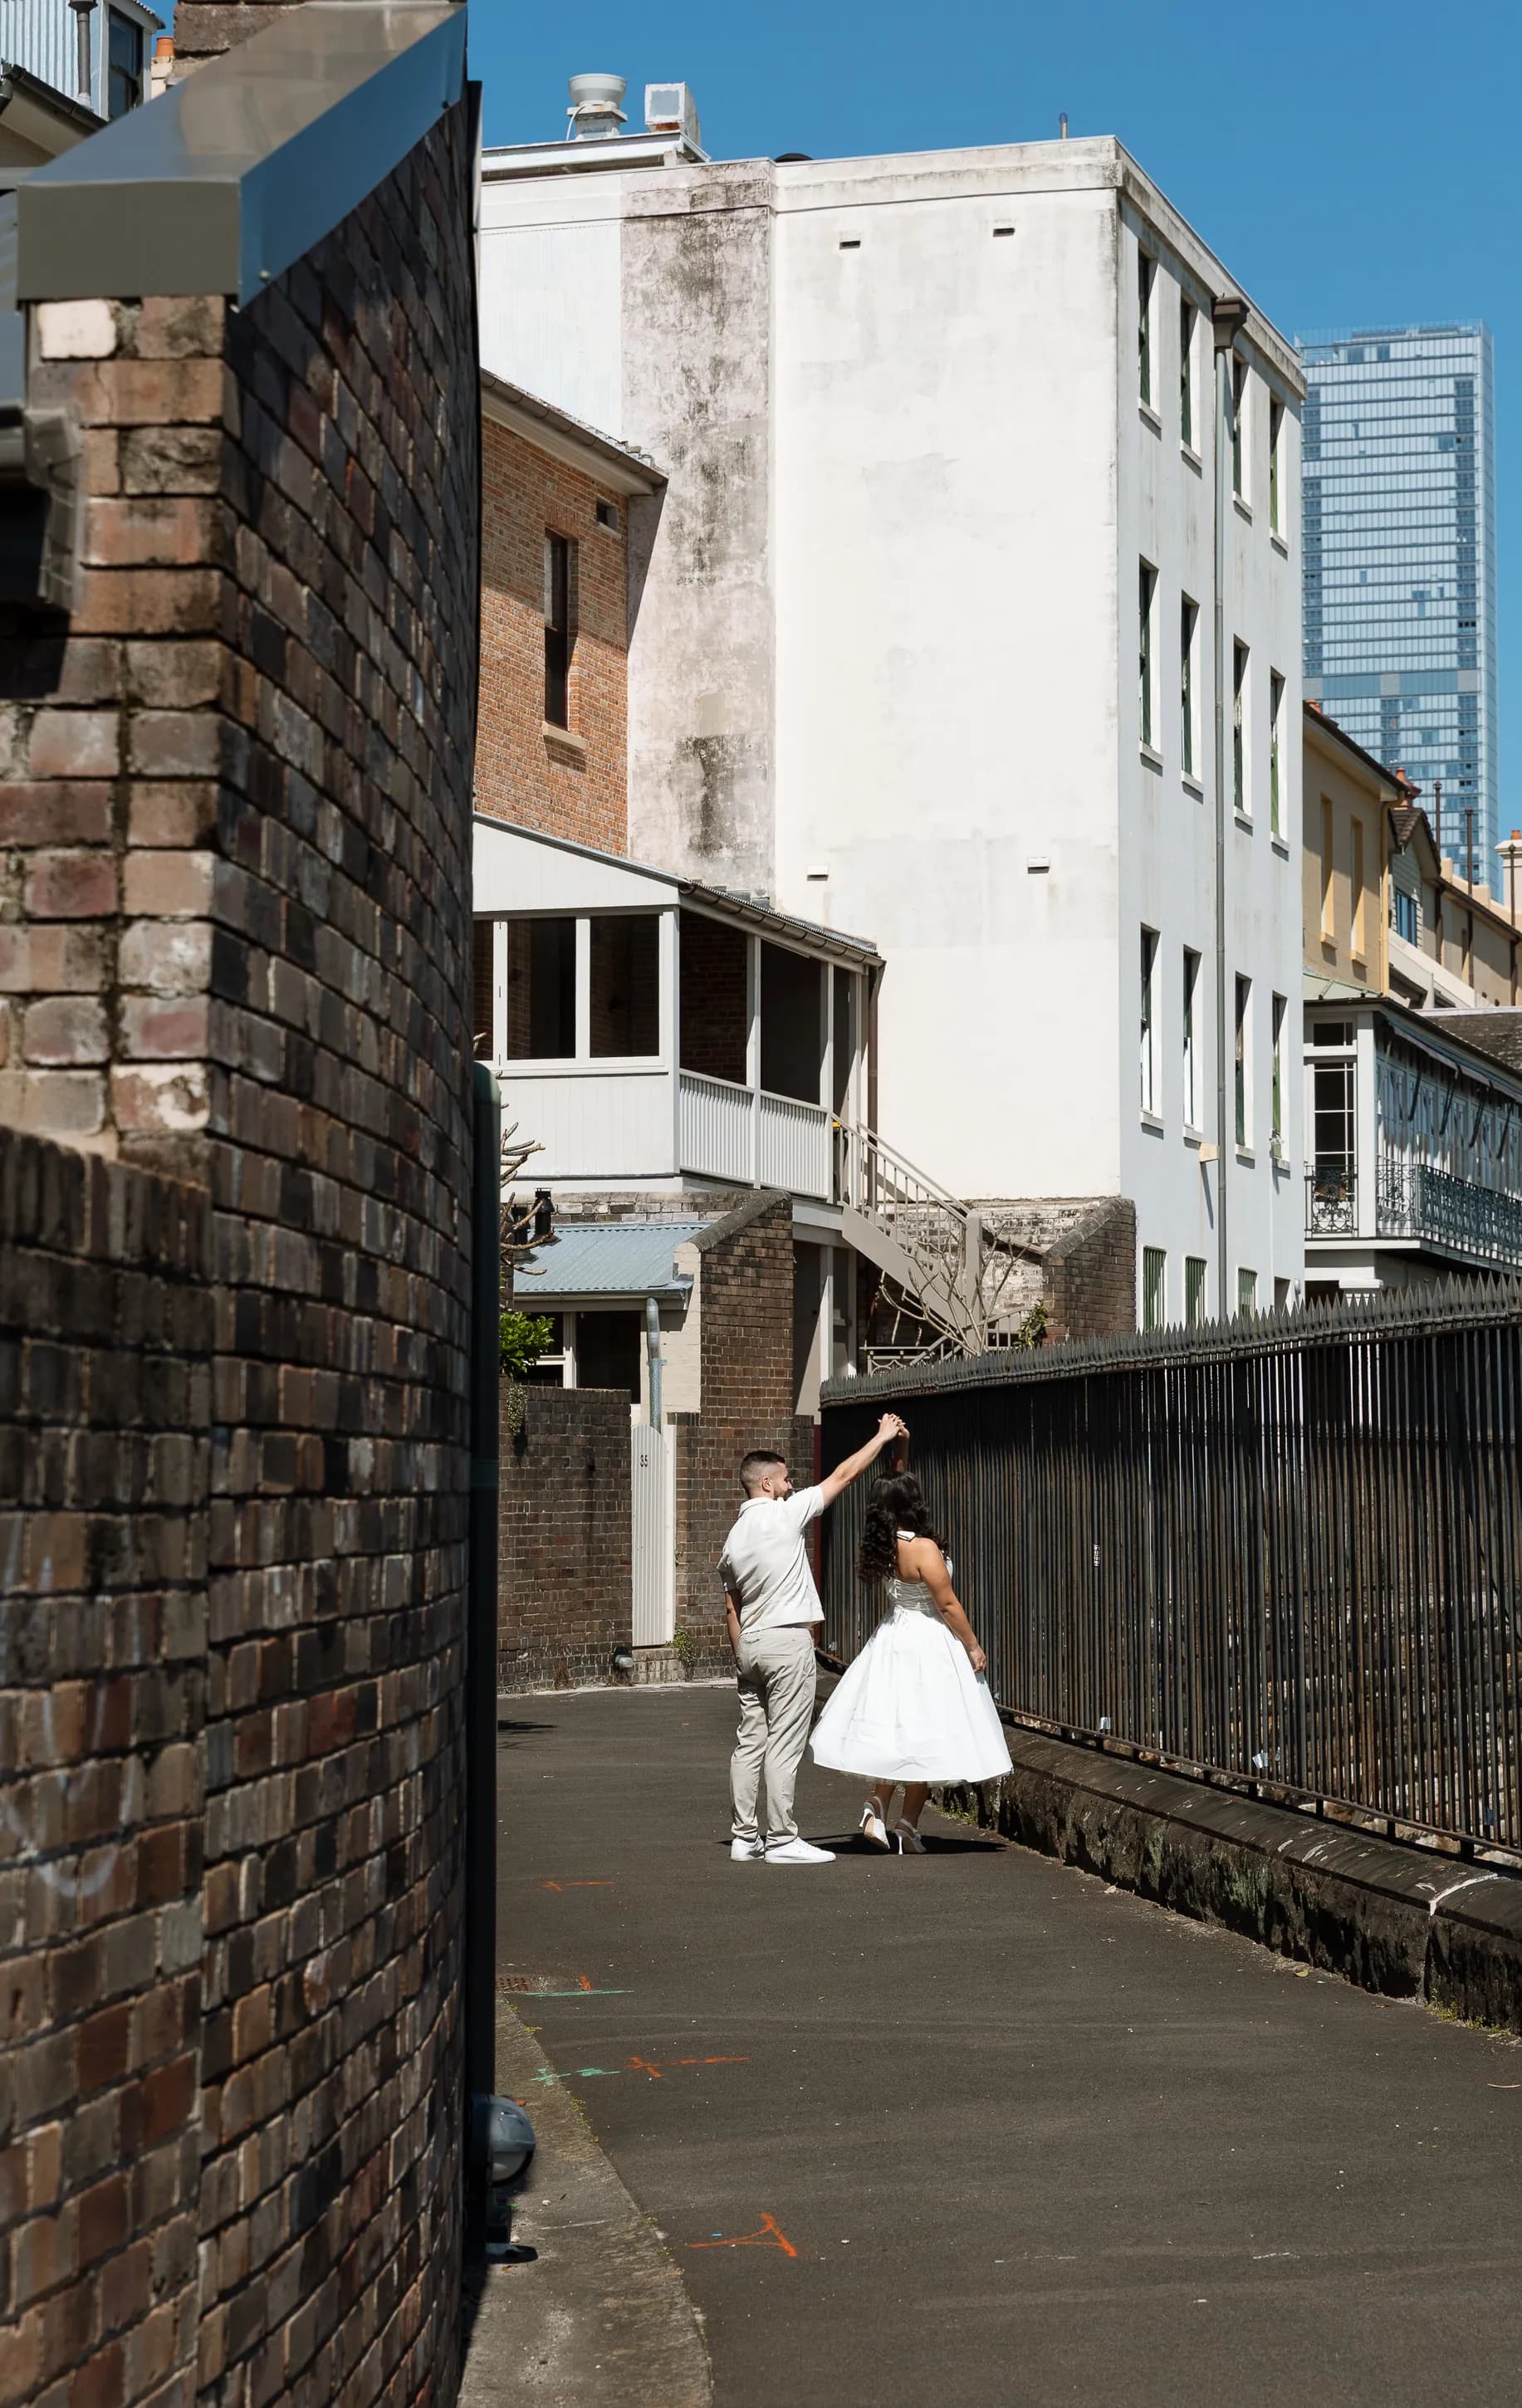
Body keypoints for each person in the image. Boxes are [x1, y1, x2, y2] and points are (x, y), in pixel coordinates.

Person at [721, 1414, 909, 1866]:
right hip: (787, 1641)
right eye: (784, 1478)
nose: (790, 1484)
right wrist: (881, 1436)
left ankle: (745, 1837)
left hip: (750, 1643)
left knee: (750, 1743)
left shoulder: (732, 1539)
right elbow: (844, 1475)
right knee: (785, 1744)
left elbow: (731, 1607)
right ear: (766, 1483)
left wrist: (743, 1654)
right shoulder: (785, 1515)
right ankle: (783, 1840)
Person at [809, 1469, 1011, 1852]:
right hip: (928, 1639)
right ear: (912, 1503)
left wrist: (902, 1444)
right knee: (928, 1728)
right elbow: (947, 1604)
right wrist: (972, 1645)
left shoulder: (885, 1544)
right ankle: (905, 1824)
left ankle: (880, 1806)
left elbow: (893, 1484)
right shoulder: (923, 1548)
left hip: (893, 1636)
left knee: (897, 1727)